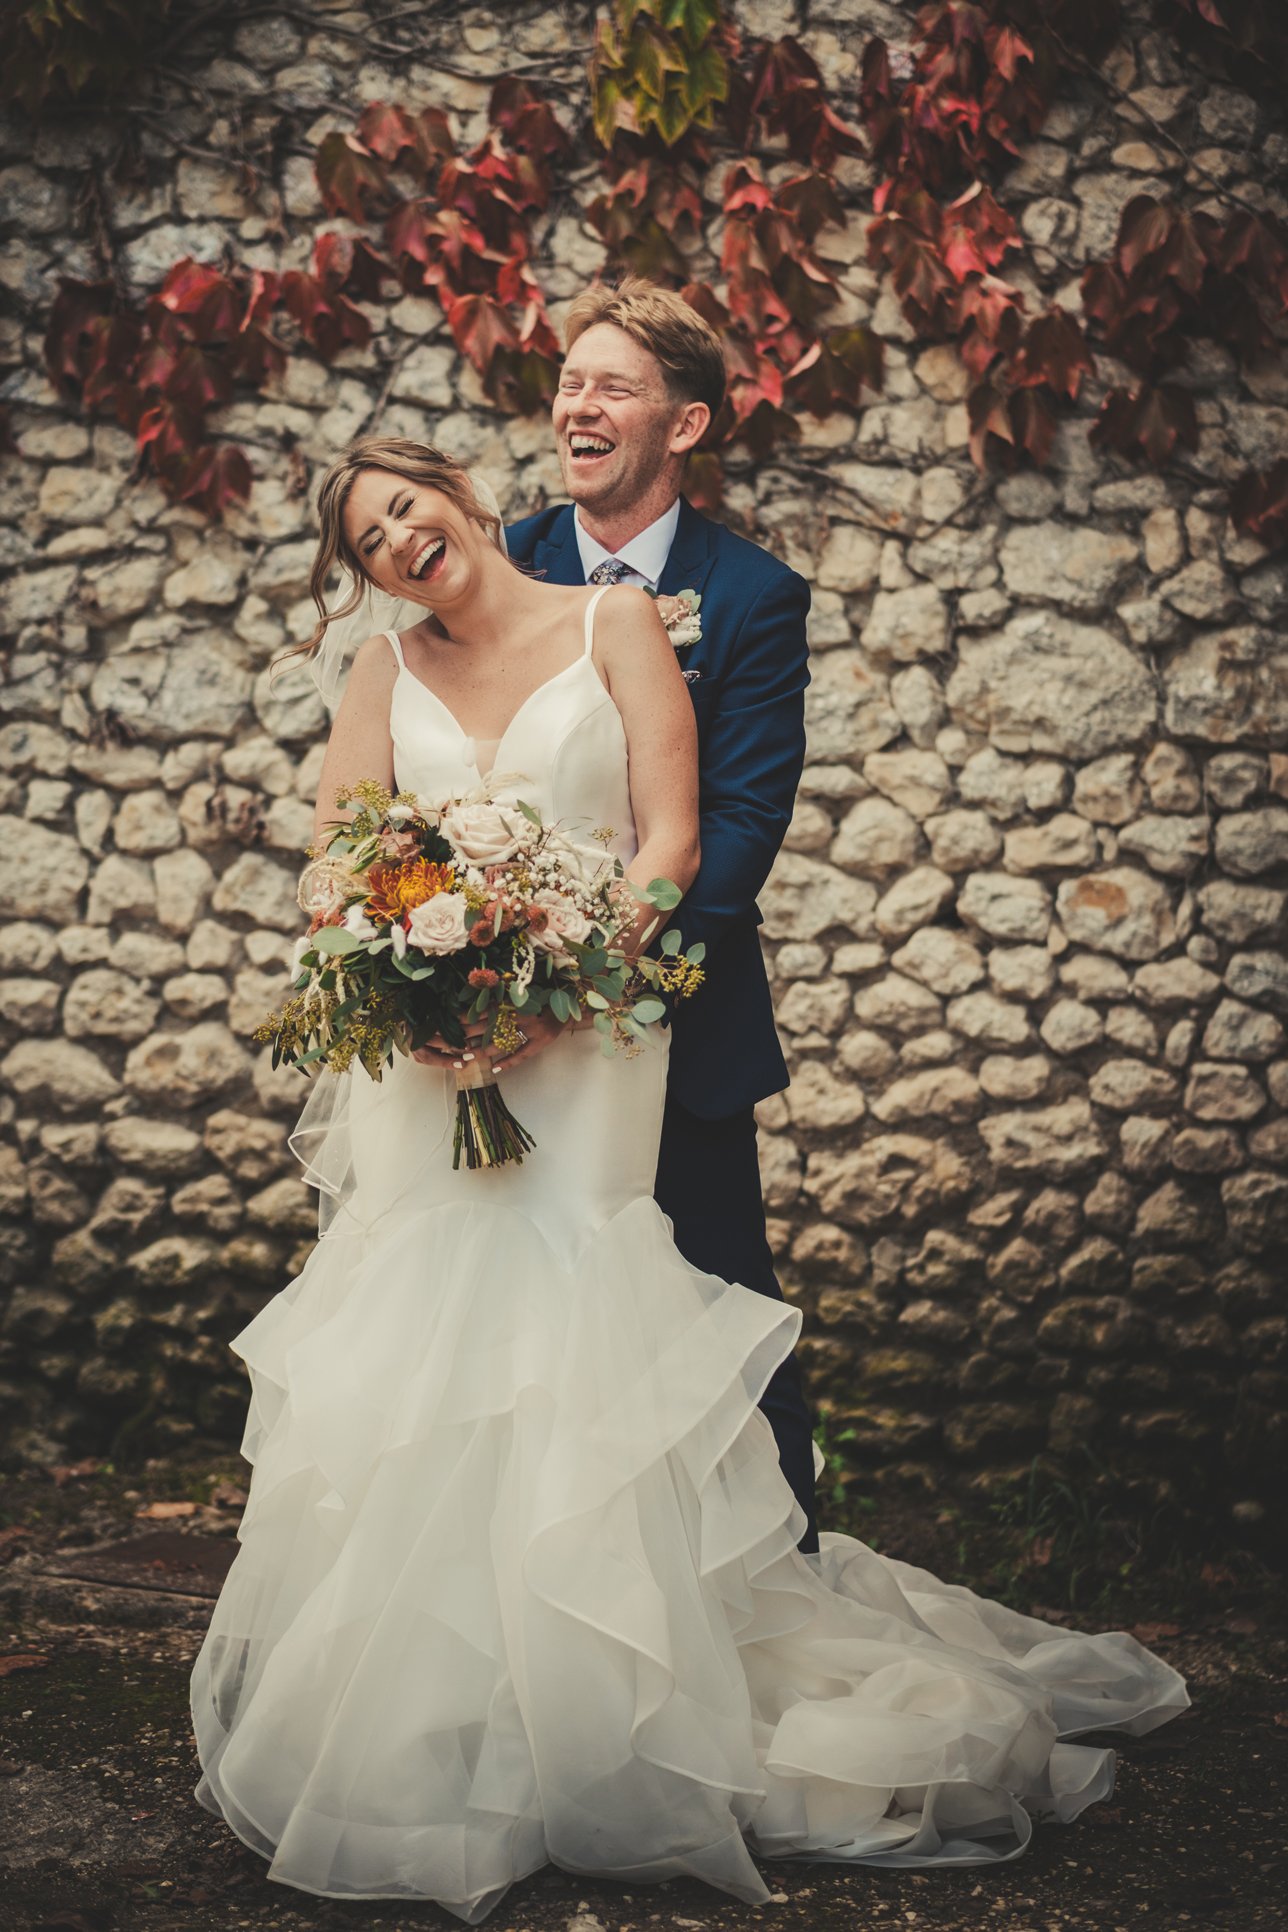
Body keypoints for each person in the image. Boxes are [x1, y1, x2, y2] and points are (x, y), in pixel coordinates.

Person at [189, 429, 1189, 1924]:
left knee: (574, 1323)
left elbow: (669, 841)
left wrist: (561, 981)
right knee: (428, 1340)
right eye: (370, 542)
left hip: (591, 1035)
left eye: (407, 507)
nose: (399, 542)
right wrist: (413, 980)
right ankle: (442, 1719)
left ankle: (609, 1710)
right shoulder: (382, 673)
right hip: (431, 1058)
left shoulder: (617, 623)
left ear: (461, 497)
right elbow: (339, 860)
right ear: (367, 575)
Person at [505, 277, 821, 1553]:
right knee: (508, 1307)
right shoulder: (500, 564)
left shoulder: (750, 596)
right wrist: (487, 959)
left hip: (671, 1015)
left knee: (718, 1306)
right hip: (497, 1010)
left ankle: (780, 1572)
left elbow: (738, 828)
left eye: (613, 388)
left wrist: (602, 972)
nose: (578, 407)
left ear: (684, 425)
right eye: (570, 382)